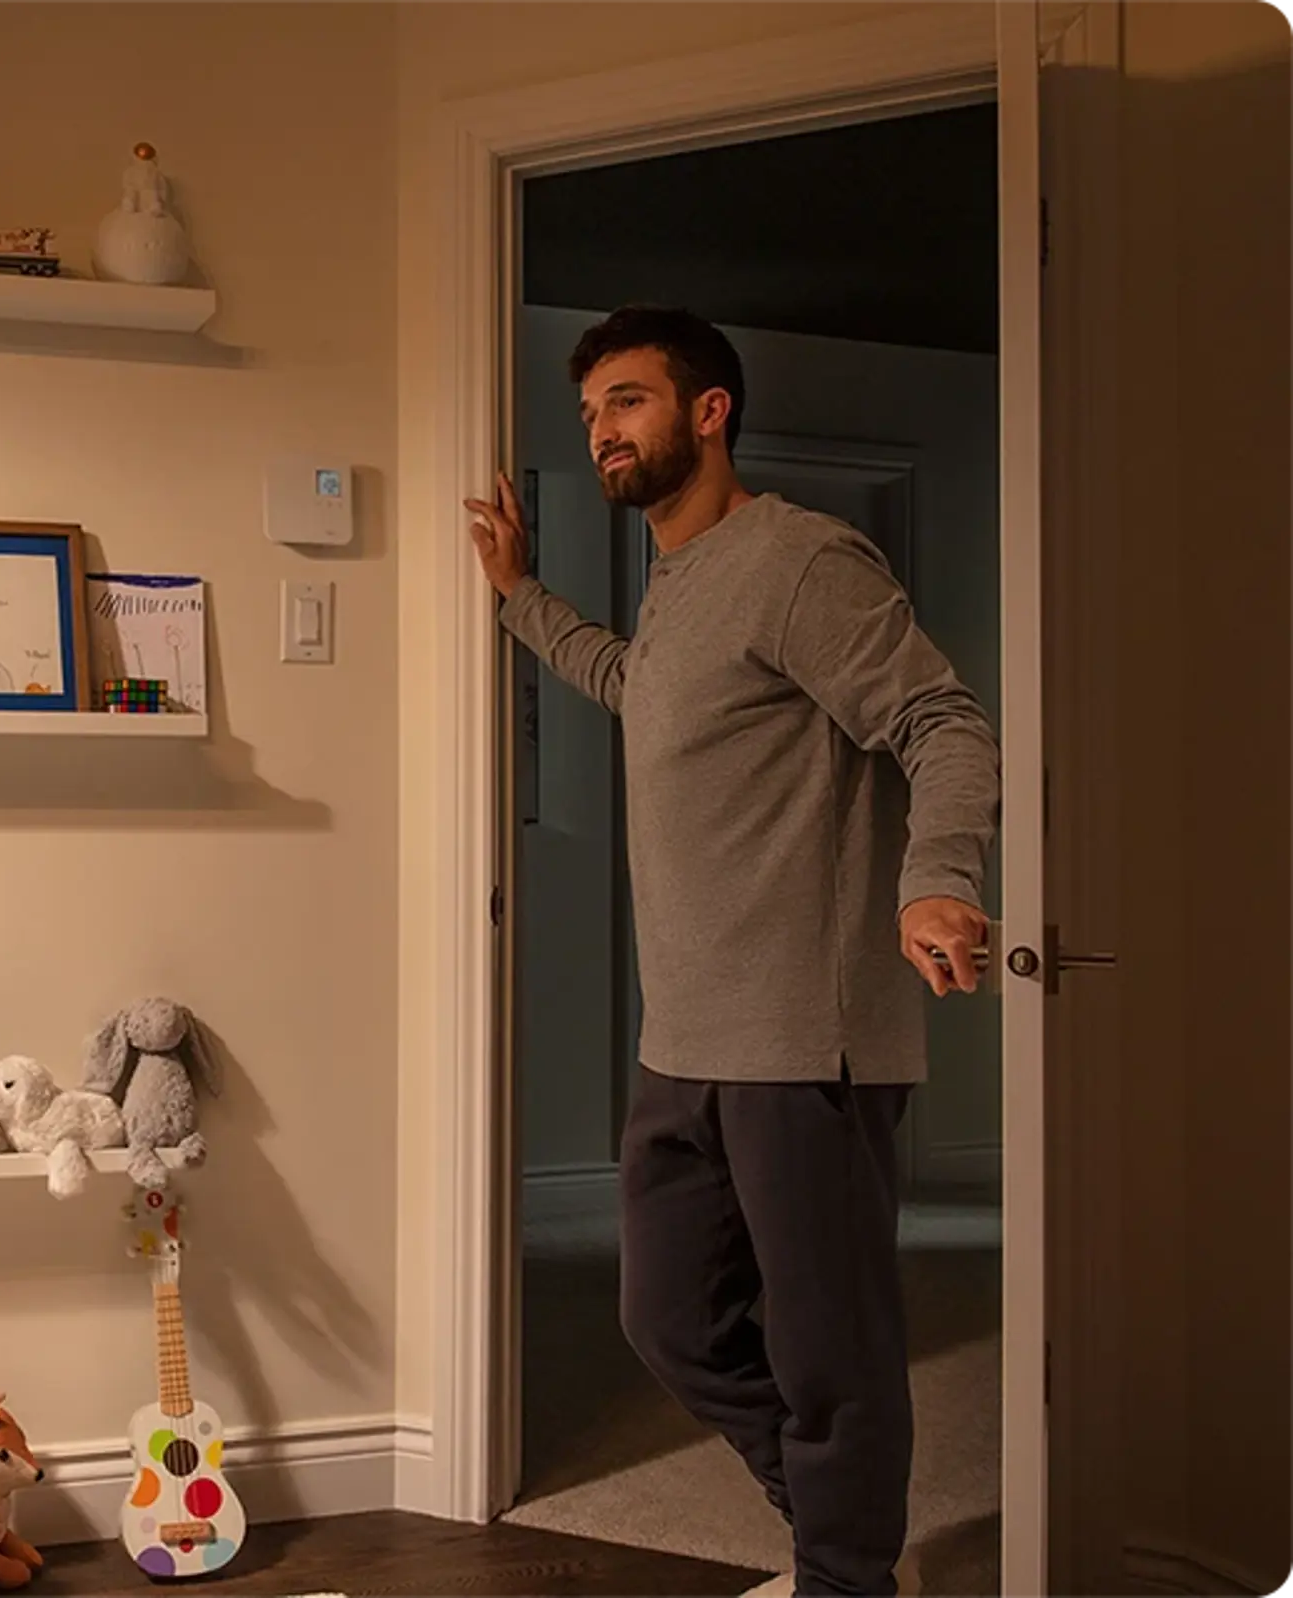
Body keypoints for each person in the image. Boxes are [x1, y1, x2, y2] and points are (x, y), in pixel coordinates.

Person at [466, 305, 1000, 1598]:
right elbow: (630, 679)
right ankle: (831, 1519)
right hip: (686, 1038)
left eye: (630, 401)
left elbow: (944, 721)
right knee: (668, 1322)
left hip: (802, 1038)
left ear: (708, 412)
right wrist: (520, 598)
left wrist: (938, 882)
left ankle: (843, 1572)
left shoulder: (802, 561)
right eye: (591, 410)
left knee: (833, 1349)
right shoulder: (681, 587)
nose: (603, 429)